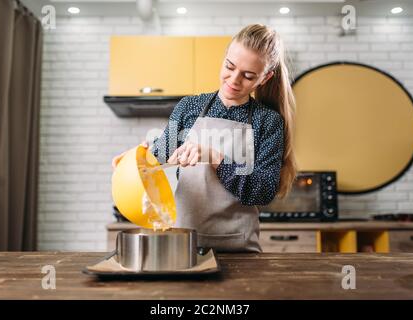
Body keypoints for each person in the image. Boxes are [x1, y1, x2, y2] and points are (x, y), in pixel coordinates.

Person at [112, 24, 297, 252]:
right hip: (186, 246)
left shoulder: (267, 121)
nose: (234, 80)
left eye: (248, 76)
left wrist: (215, 157)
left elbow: (263, 190)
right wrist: (135, 162)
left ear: (265, 78)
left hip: (240, 248)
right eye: (229, 67)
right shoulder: (190, 107)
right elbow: (158, 155)